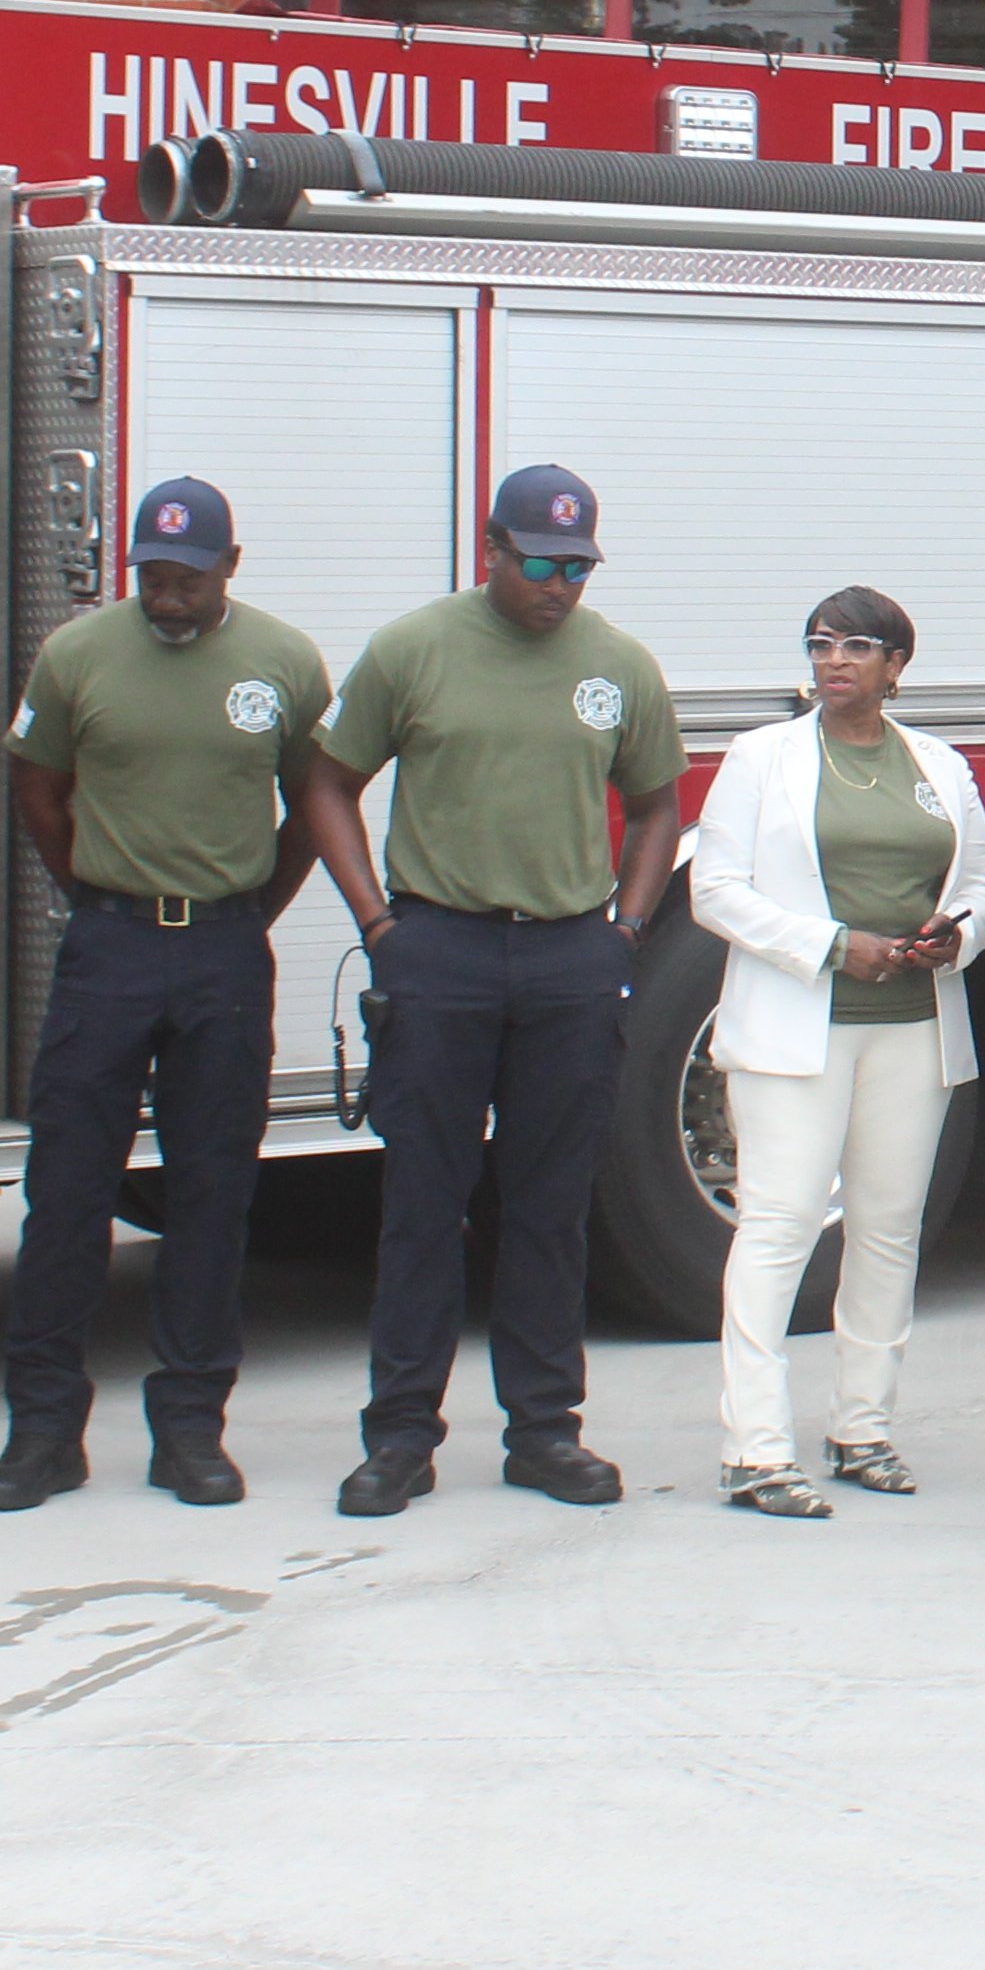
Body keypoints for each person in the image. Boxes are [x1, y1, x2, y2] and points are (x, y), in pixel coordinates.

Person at [289, 462, 685, 1521]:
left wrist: (627, 932)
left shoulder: (618, 666)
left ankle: (545, 1430)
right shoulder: (414, 650)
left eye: (579, 567)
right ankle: (402, 1436)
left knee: (550, 1207)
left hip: (568, 959)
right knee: (425, 1203)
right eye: (543, 563)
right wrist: (380, 925)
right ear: (491, 551)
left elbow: (657, 806)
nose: (562, 586)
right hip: (442, 953)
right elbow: (327, 781)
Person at [0, 473, 331, 1513]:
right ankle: (43, 1433)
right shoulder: (79, 654)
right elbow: (38, 790)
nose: (167, 589)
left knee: (212, 1197)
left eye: (188, 573)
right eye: (152, 570)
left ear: (231, 565)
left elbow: (312, 802)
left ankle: (189, 1427)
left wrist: (243, 912)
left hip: (225, 954)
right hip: (110, 948)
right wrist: (100, 895)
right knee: (68, 1193)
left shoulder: (283, 662)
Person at [682, 585, 985, 1516]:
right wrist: (830, 946)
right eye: (820, 644)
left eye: (857, 646)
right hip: (799, 1030)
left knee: (889, 1229)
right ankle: (755, 1449)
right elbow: (715, 891)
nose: (834, 661)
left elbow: (980, 882)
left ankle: (862, 1430)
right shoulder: (762, 758)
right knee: (778, 1227)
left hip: (912, 1027)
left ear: (897, 666)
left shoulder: (937, 765)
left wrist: (961, 933)